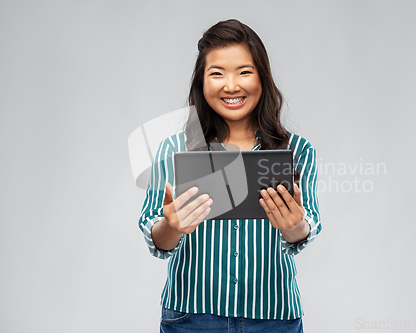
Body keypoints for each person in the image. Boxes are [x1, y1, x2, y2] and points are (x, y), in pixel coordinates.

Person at [138, 19, 322, 333]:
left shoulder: (297, 150)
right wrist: (172, 225)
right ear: (202, 83)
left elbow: (306, 230)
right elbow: (157, 238)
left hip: (273, 317)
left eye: (244, 72)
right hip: (191, 317)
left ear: (262, 79)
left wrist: (295, 226)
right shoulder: (173, 149)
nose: (231, 85)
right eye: (217, 73)